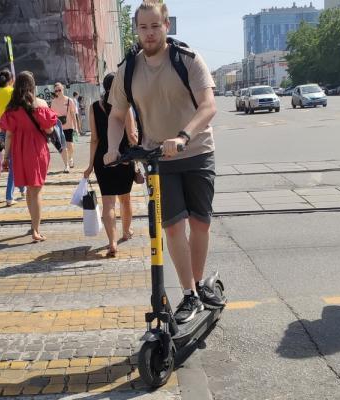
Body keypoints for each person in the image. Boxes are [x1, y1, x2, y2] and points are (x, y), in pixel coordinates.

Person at [104, 2, 223, 323]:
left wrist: (184, 135)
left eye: (155, 26)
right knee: (172, 228)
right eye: (143, 28)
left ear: (166, 25)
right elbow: (116, 115)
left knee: (200, 223)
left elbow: (208, 106)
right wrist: (113, 147)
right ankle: (189, 294)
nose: (149, 33)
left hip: (197, 151)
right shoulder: (128, 70)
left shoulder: (188, 60)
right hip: (158, 159)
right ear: (137, 30)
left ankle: (198, 284)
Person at [0, 71, 58, 242]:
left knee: (29, 191)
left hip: (19, 151)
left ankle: (33, 224)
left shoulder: (12, 108)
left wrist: (5, 157)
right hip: (37, 150)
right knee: (37, 190)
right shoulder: (40, 104)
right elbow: (49, 130)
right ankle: (36, 230)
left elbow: (8, 135)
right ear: (32, 85)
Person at [84, 73, 138, 257]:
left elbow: (94, 139)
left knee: (108, 202)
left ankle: (112, 242)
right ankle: (126, 231)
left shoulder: (93, 107)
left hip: (102, 160)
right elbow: (132, 137)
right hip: (123, 158)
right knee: (125, 199)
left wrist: (90, 165)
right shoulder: (125, 107)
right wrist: (136, 161)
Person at [0, 69, 26, 205]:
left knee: (14, 161)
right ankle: (9, 197)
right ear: (11, 80)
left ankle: (22, 189)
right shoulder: (14, 92)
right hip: (17, 131)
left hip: (3, 130)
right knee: (14, 163)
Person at [51, 82, 79, 172]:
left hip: (69, 126)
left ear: (63, 89)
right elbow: (52, 116)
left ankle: (71, 158)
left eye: (59, 90)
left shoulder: (69, 100)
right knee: (63, 147)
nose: (58, 92)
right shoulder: (53, 102)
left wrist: (76, 127)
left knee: (70, 145)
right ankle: (66, 165)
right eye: (56, 91)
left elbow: (73, 114)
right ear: (54, 92)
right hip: (59, 128)